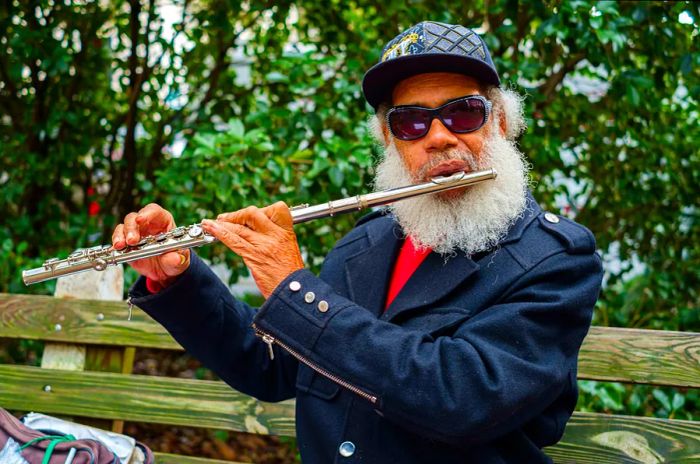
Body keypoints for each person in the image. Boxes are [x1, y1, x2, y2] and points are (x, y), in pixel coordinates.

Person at [114, 21, 603, 463]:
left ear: (498, 122)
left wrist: (294, 287)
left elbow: (461, 398)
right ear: (392, 141)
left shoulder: (554, 259)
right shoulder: (366, 244)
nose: (437, 136)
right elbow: (271, 368)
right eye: (411, 122)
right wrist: (179, 279)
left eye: (463, 113)